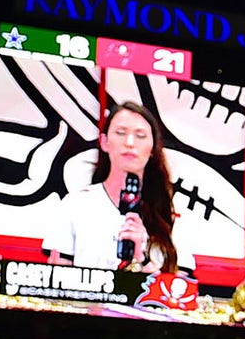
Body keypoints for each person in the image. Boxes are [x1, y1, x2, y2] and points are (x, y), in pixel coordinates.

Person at [44, 101, 195, 276]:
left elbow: (181, 290)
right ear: (104, 142)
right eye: (121, 133)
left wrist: (142, 259)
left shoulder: (171, 212)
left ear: (153, 147)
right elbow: (57, 279)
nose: (130, 143)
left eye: (140, 135)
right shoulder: (76, 204)